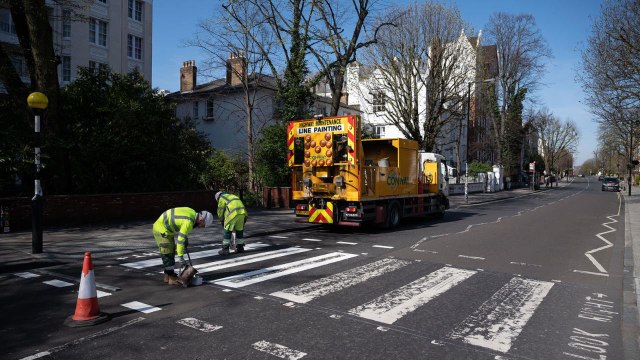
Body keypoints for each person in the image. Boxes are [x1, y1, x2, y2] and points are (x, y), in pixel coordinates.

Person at [152, 207, 213, 284]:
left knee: (170, 251)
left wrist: (185, 239)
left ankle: (167, 276)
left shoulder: (192, 213)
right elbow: (180, 241)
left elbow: (182, 229)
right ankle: (171, 278)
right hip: (161, 229)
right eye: (202, 225)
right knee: (167, 252)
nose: (200, 227)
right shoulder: (189, 221)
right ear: (201, 219)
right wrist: (180, 256)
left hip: (166, 229)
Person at [215, 191, 248, 255]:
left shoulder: (222, 198)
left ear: (218, 197)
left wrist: (221, 220)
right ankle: (240, 248)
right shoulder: (233, 196)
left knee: (227, 232)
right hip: (242, 214)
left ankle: (225, 250)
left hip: (232, 215)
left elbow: (220, 211)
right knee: (239, 231)